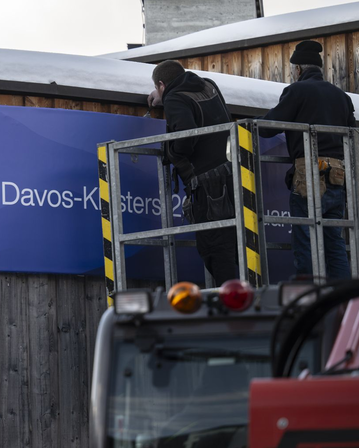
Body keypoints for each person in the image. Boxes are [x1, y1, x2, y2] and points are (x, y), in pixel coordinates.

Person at [259, 40, 356, 279]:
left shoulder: (297, 91)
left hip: (308, 175)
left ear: (298, 69)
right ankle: (343, 295)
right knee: (334, 241)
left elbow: (268, 128)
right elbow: (351, 134)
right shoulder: (342, 96)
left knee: (305, 239)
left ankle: (310, 294)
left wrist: (254, 124)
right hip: (337, 175)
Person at [150, 60, 238, 285]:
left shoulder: (174, 98)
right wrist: (163, 95)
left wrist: (172, 152)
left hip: (207, 183)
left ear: (161, 84)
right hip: (232, 173)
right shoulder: (208, 84)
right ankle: (248, 296)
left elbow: (186, 135)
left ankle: (234, 299)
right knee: (237, 243)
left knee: (214, 247)